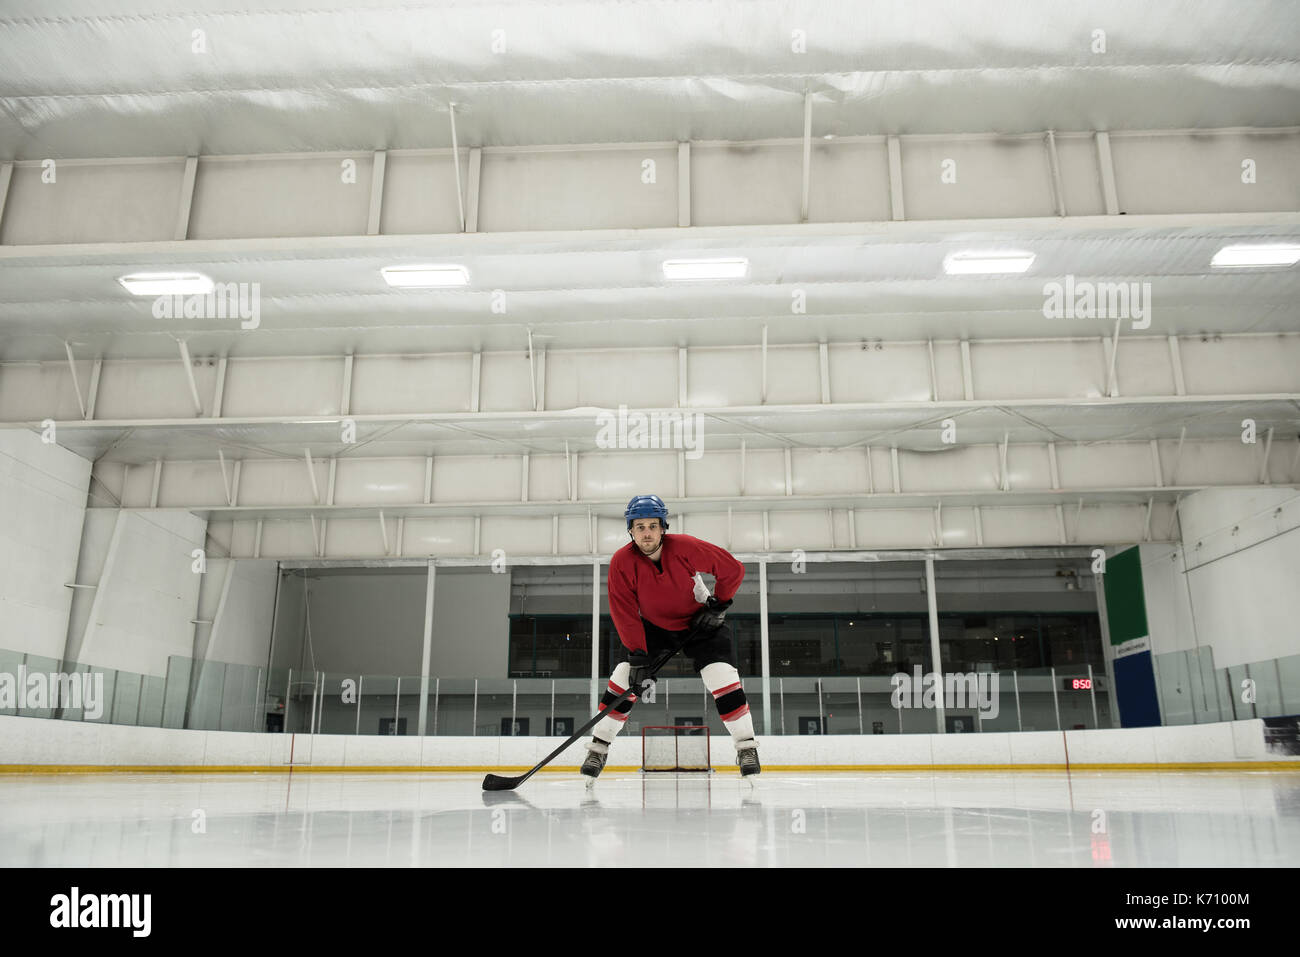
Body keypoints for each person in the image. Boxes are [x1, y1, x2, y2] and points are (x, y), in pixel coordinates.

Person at [582, 494, 760, 780]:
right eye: (640, 527)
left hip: (699, 623)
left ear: (663, 526)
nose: (647, 532)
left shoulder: (685, 547)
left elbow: (732, 569)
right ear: (630, 529)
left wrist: (719, 604)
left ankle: (746, 747)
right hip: (653, 627)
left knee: (720, 675)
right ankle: (597, 750)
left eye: (653, 525)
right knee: (625, 676)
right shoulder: (621, 562)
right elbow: (623, 611)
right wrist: (638, 654)